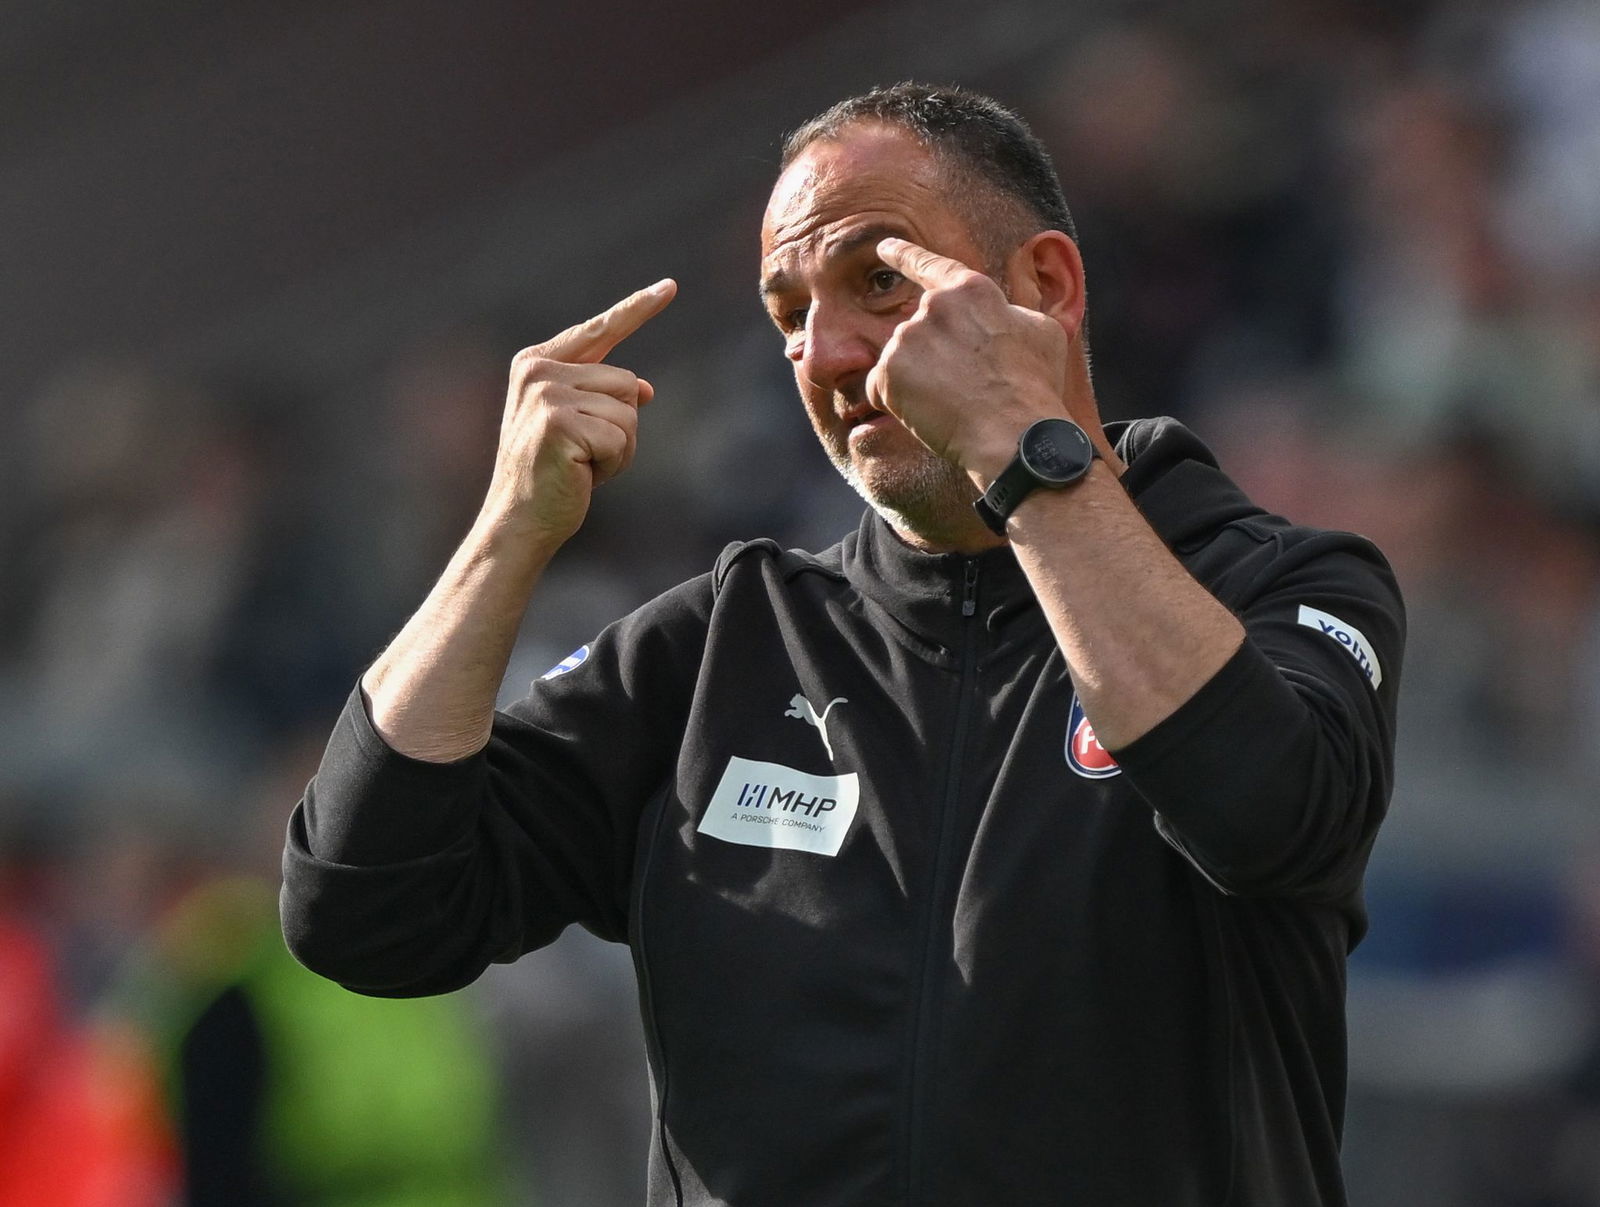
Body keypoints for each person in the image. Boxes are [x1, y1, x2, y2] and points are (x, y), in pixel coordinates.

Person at [281, 83, 1404, 1206]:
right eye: (787, 314)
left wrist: (1022, 455)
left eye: (878, 279)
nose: (825, 349)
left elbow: (1265, 811)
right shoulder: (717, 650)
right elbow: (365, 911)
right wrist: (501, 540)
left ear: (1045, 286)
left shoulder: (1280, 585)